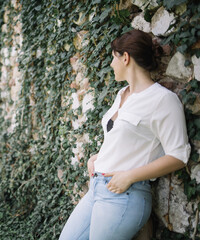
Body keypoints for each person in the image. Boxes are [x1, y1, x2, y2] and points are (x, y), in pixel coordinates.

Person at [59, 29, 191, 239]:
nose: (111, 65)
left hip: (124, 195)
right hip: (97, 188)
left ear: (126, 58)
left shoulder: (162, 100)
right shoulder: (123, 94)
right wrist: (99, 157)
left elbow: (178, 156)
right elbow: (119, 137)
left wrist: (129, 176)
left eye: (114, 58)